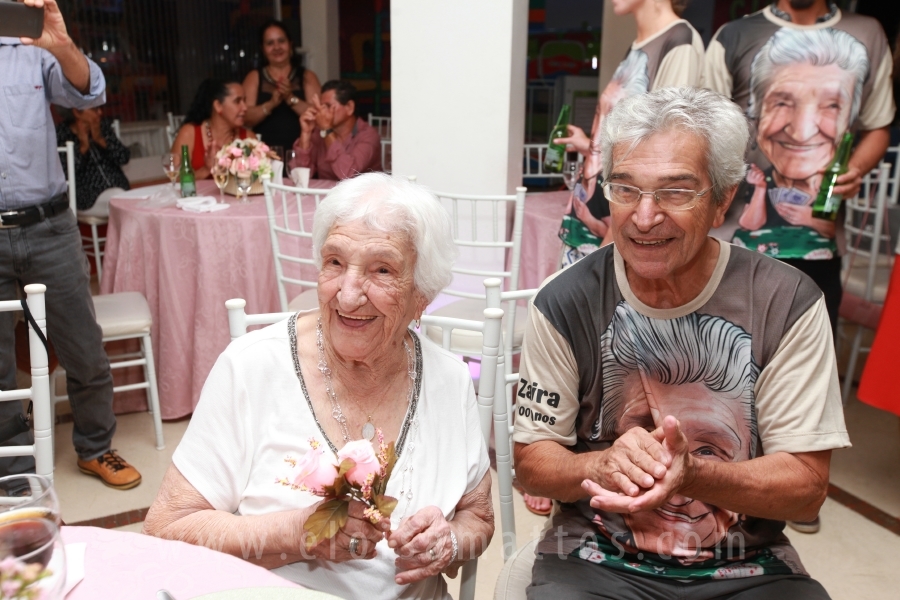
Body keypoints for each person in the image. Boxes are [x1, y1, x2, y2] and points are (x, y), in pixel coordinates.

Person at [513, 87, 849, 599]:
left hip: (747, 567)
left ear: (722, 200)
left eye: (674, 192)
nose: (644, 217)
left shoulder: (786, 302)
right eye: (625, 189)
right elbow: (533, 463)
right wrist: (598, 463)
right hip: (594, 561)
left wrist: (692, 474)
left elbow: (805, 491)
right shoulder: (565, 301)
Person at [144, 173, 493, 600]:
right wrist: (299, 532)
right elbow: (166, 530)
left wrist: (450, 543)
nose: (347, 296)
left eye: (381, 270)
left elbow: (479, 517)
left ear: (422, 295)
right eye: (335, 263)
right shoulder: (251, 368)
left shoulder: (451, 381)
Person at [702, 1, 894, 533]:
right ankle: (717, 490)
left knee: (805, 378)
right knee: (723, 370)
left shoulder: (867, 32)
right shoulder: (734, 36)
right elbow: (699, 127)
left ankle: (792, 494)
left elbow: (878, 124)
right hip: (729, 248)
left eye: (830, 106)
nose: (805, 127)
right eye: (780, 101)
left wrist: (851, 170)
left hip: (817, 252)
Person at [0, 0, 140, 489]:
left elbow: (88, 92)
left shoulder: (30, 45)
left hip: (50, 228)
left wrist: (60, 43)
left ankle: (96, 447)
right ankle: (13, 472)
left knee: (83, 346)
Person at [554, 0, 704, 267]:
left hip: (618, 221)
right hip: (594, 204)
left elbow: (665, 152)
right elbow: (632, 137)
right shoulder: (639, 46)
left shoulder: (679, 41)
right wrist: (591, 146)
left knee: (599, 301)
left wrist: (611, 245)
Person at [243, 20, 321, 151]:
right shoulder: (254, 77)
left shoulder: (307, 76)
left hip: (303, 153)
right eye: (270, 43)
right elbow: (244, 118)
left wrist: (290, 98)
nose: (276, 47)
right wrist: (271, 104)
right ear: (263, 49)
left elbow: (319, 117)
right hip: (263, 157)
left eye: (281, 41)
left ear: (290, 45)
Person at [289, 80, 382, 181]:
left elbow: (347, 174)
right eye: (321, 106)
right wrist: (306, 133)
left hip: (363, 195)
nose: (322, 112)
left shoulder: (369, 135)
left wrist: (327, 130)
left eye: (328, 106)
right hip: (326, 194)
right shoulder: (320, 133)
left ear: (349, 107)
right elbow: (298, 177)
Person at [55, 104, 130, 213]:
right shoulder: (62, 134)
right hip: (88, 196)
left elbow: (124, 158)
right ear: (76, 112)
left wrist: (100, 140)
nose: (100, 112)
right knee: (123, 202)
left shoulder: (103, 127)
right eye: (95, 109)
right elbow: (64, 173)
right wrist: (83, 147)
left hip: (120, 188)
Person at [170, 78, 250, 180]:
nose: (245, 107)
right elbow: (175, 178)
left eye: (245, 101)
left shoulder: (248, 138)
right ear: (218, 106)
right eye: (237, 101)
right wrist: (206, 169)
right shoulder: (189, 133)